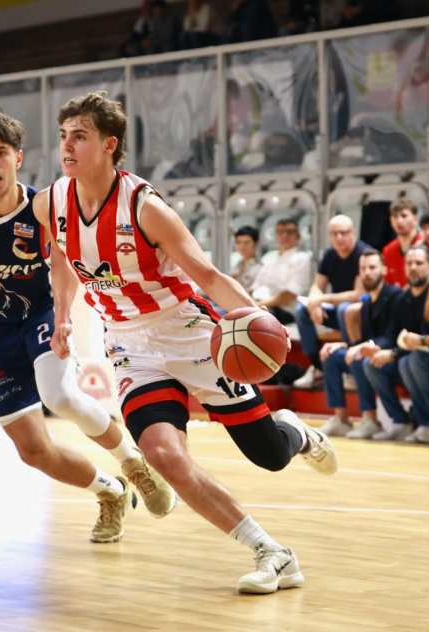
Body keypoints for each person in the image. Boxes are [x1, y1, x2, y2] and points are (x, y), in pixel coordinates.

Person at [37, 91, 337, 593]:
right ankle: (272, 552)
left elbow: (208, 274)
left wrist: (260, 318)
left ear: (109, 144)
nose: (67, 146)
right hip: (130, 347)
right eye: (64, 136)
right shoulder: (53, 201)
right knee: (163, 454)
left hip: (190, 333)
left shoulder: (145, 207)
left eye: (80, 136)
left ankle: (294, 433)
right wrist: (63, 315)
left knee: (269, 455)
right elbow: (62, 259)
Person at [0, 110, 178, 544]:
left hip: (35, 317)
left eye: (1, 152)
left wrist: (62, 317)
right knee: (34, 452)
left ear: (18, 158)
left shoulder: (42, 207)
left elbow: (63, 260)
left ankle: (132, 462)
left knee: (59, 395)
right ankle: (110, 491)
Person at [316, 250, 401, 438]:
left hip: (392, 354)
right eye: (363, 268)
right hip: (370, 350)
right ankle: (341, 419)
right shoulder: (367, 300)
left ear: (384, 270)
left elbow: (391, 337)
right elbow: (364, 340)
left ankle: (370, 420)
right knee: (330, 356)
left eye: (372, 267)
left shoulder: (395, 295)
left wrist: (359, 348)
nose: (367, 272)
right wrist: (343, 345)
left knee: (358, 358)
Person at [360, 246, 429, 442]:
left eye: (418, 263)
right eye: (409, 263)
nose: (413, 267)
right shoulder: (404, 298)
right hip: (409, 354)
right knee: (372, 363)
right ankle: (401, 422)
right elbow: (393, 334)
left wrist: (393, 354)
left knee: (409, 361)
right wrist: (379, 349)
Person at [293, 215, 370, 388]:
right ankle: (317, 365)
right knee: (301, 311)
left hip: (361, 313)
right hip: (337, 310)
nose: (339, 238)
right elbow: (317, 285)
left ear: (353, 233)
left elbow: (358, 294)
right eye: (334, 234)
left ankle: (352, 369)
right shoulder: (330, 254)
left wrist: (322, 299)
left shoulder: (363, 254)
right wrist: (314, 303)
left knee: (345, 309)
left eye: (343, 233)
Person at [250, 217, 311, 324]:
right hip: (260, 304)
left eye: (290, 232)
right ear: (276, 235)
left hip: (285, 310)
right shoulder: (269, 257)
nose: (285, 235)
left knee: (253, 318)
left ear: (298, 235)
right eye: (280, 232)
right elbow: (255, 287)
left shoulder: (302, 258)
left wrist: (255, 306)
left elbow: (288, 295)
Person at [381, 198, 422, 287]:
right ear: (391, 220)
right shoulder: (388, 251)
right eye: (395, 216)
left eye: (404, 216)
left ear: (415, 219)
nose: (399, 221)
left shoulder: (426, 245)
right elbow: (388, 284)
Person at [230, 225, 261, 293]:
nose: (242, 247)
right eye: (238, 242)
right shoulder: (235, 266)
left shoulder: (261, 269)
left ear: (255, 244)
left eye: (246, 243)